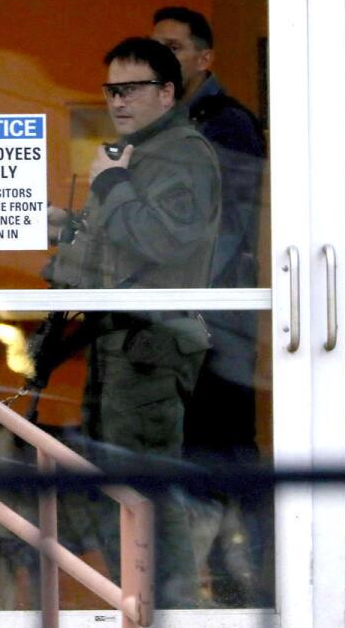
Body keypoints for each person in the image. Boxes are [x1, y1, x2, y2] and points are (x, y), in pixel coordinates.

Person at [45, 37, 221, 608]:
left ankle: (169, 610)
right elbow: (122, 247)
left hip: (149, 343)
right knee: (119, 491)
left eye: (132, 89)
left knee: (143, 493)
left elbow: (164, 240)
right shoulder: (138, 154)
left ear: (167, 92)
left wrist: (111, 185)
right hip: (120, 341)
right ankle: (144, 604)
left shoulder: (181, 153)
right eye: (110, 90)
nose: (118, 101)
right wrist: (70, 229)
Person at [152, 5, 269, 606]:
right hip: (187, 318)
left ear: (204, 58)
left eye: (173, 46)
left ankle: (257, 584)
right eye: (156, 46)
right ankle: (218, 584)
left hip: (218, 319)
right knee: (197, 448)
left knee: (224, 448)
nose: (162, 57)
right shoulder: (169, 122)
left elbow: (218, 225)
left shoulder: (227, 125)